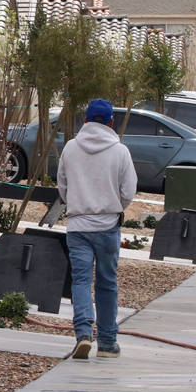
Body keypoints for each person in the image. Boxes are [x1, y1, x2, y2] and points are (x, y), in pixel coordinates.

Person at [57, 98, 137, 360]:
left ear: (86, 120)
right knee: (107, 283)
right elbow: (128, 191)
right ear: (111, 122)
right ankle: (107, 342)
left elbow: (62, 186)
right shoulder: (120, 151)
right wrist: (114, 206)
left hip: (78, 227)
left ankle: (83, 333)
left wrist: (77, 204)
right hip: (107, 226)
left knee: (80, 281)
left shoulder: (70, 148)